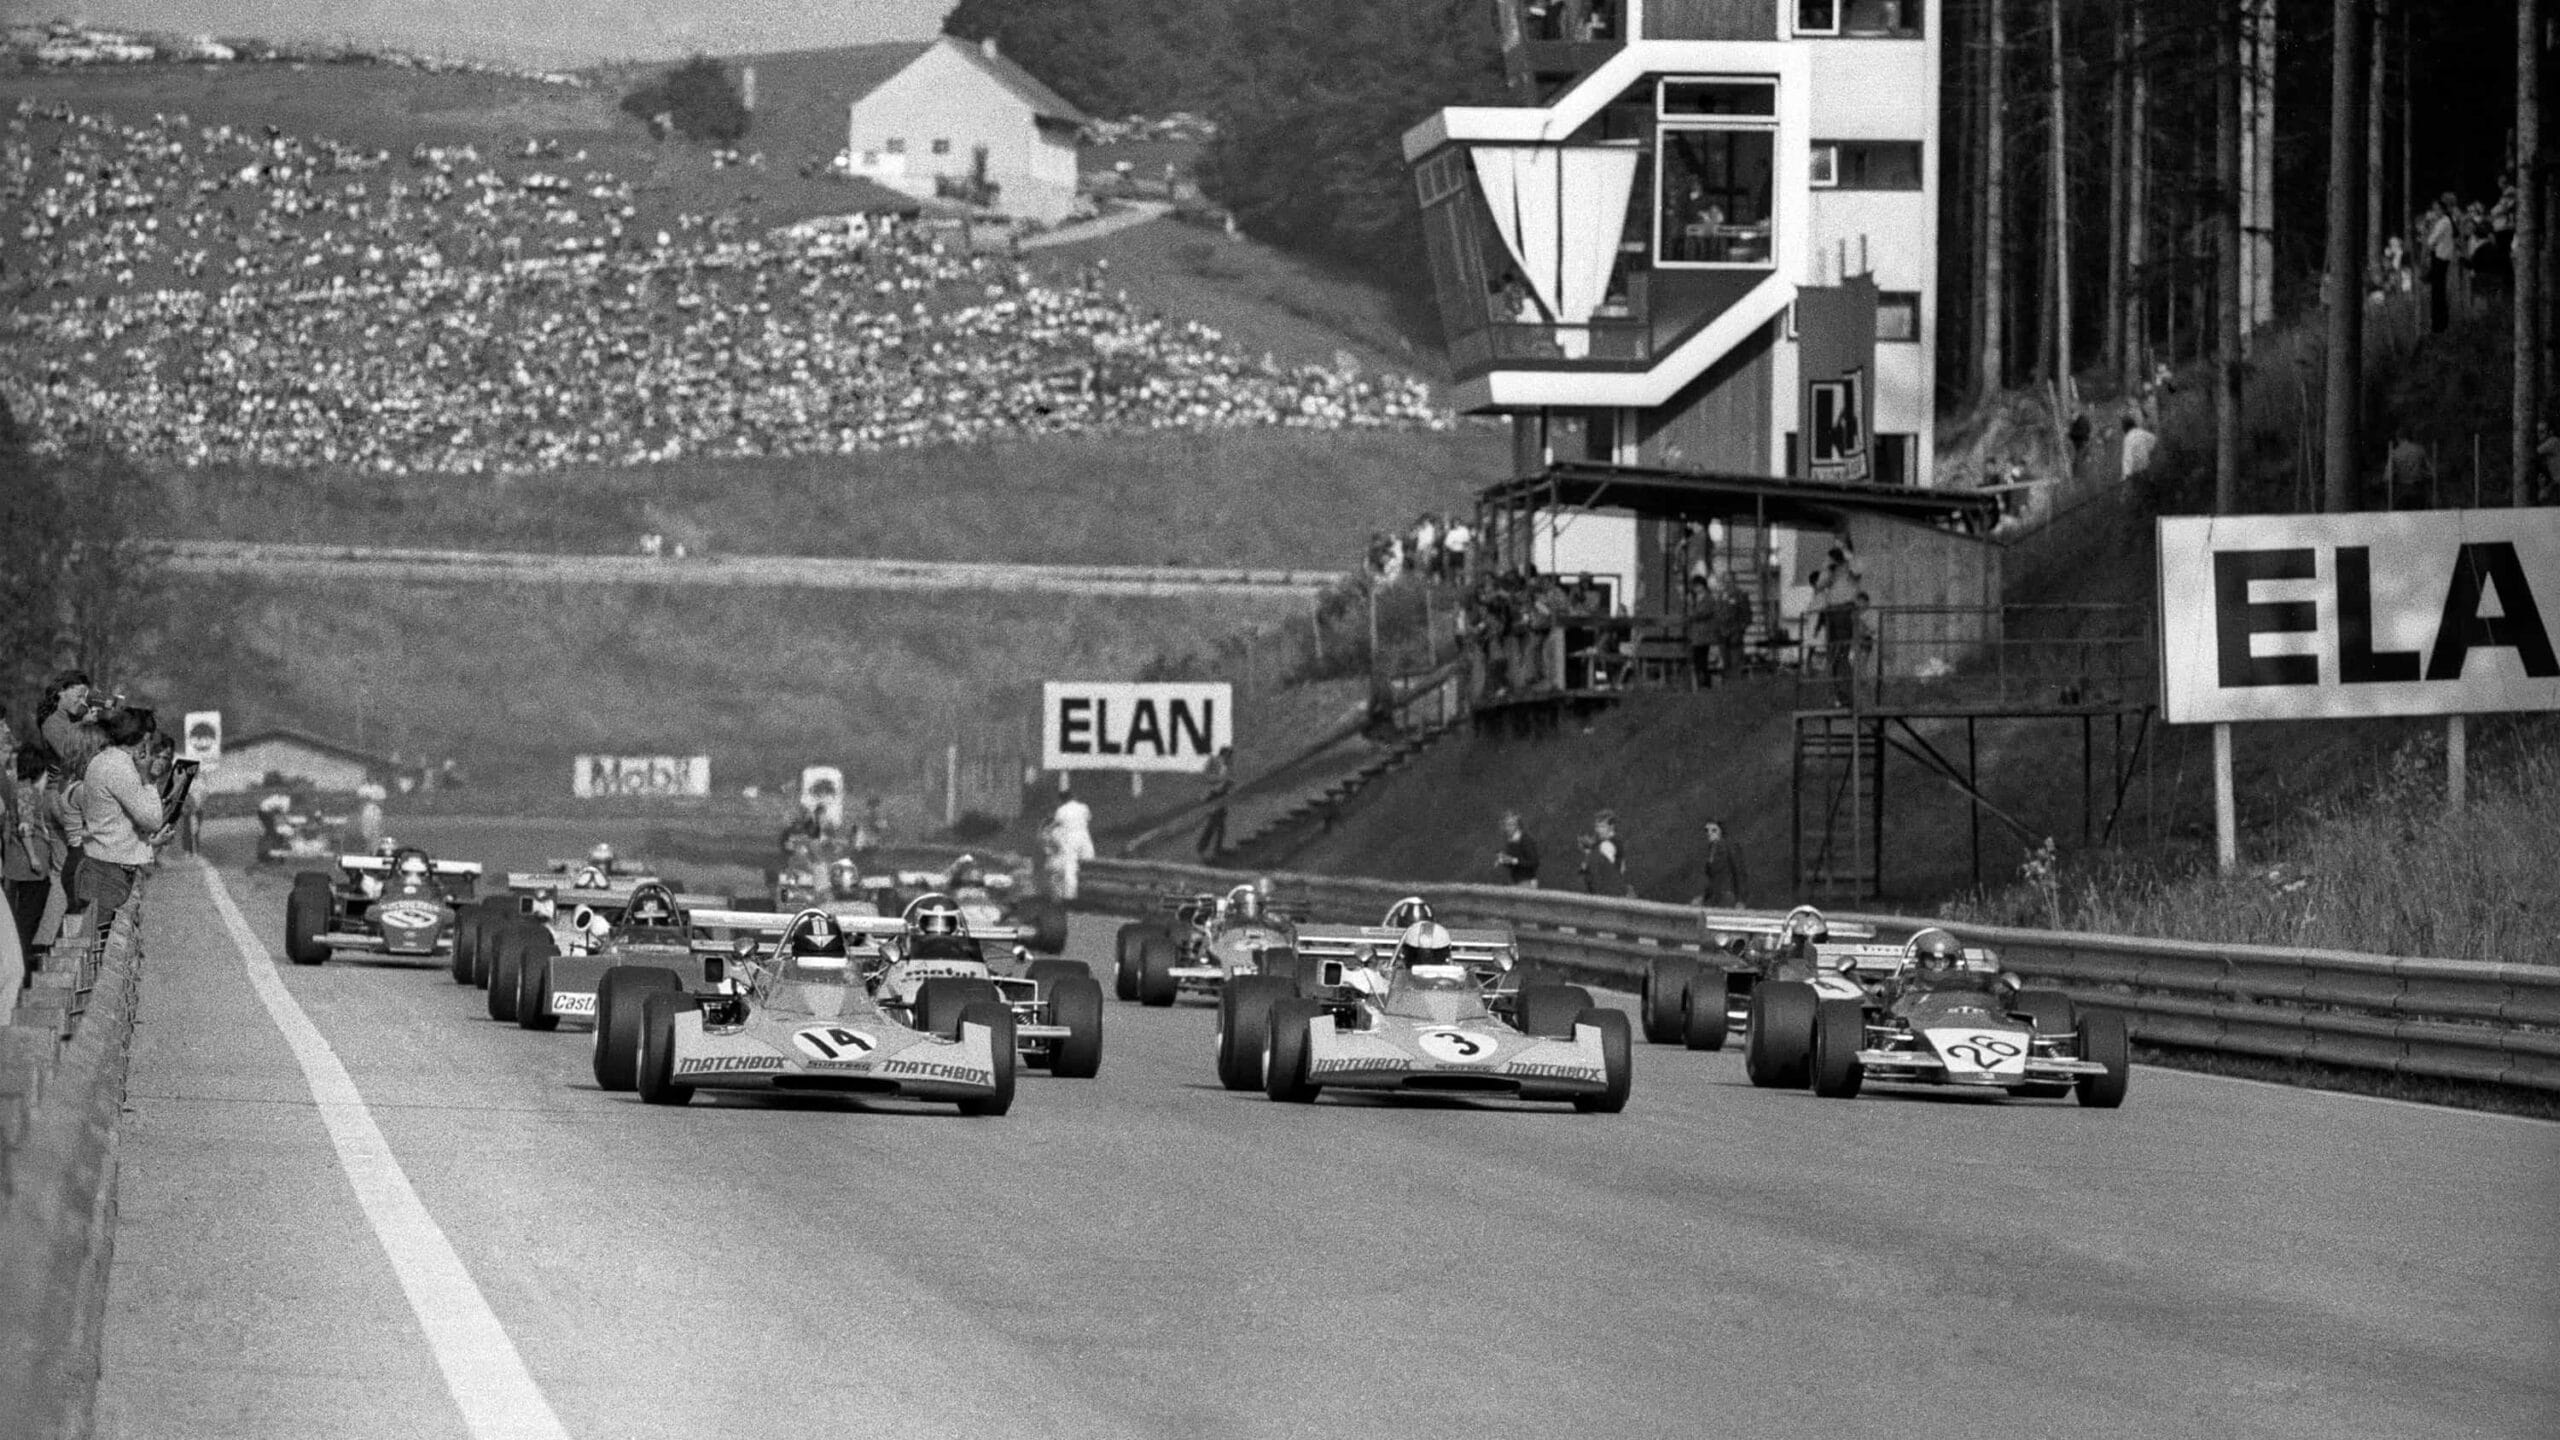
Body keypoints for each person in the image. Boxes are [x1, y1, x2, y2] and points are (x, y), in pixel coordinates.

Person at [74, 708, 168, 938]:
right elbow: (153, 819)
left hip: (100, 863)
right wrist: (147, 778)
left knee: (95, 943)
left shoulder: (103, 760)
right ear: (143, 738)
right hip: (110, 871)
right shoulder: (120, 768)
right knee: (97, 945)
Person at [6, 743, 51, 977]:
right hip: (29, 867)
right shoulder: (26, 790)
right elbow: (25, 827)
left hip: (18, 865)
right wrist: (34, 857)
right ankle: (22, 970)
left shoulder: (16, 787)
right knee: (26, 922)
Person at [1048, 782, 1094, 901]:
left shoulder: (1061, 810)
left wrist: (1049, 828)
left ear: (1061, 800)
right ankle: (1091, 892)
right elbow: (1088, 818)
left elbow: (1056, 824)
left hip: (1070, 839)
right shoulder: (1083, 807)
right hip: (1084, 837)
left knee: (1071, 867)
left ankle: (1070, 897)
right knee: (1088, 864)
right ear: (1073, 797)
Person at [1577, 810, 1635, 898]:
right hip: (1611, 892)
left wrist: (1589, 854)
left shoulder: (1607, 845)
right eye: (1597, 826)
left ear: (1611, 827)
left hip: (1609, 895)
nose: (1598, 830)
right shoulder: (1603, 843)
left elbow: (1604, 873)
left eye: (1602, 827)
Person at [1696, 818, 1748, 908]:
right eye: (1707, 830)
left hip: (1727, 895)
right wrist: (1703, 897)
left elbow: (1739, 872)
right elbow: (1712, 879)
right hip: (1714, 896)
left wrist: (1741, 900)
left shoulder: (1730, 847)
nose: (1709, 833)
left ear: (1721, 832)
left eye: (1714, 830)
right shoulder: (1712, 850)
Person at [1196, 747, 1234, 862]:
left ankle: (1217, 850)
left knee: (1220, 825)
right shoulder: (1215, 764)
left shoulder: (1224, 765)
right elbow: (1209, 780)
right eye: (1229, 755)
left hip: (1220, 797)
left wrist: (1227, 785)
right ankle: (1202, 850)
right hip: (1213, 798)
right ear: (1224, 754)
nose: (1230, 758)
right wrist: (1224, 784)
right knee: (1213, 825)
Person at [1494, 811, 1541, 887]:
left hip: (1527, 882)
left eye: (1511, 824)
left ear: (1518, 825)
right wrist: (1504, 860)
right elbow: (1514, 864)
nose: (1508, 828)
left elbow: (1534, 862)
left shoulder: (1525, 840)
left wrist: (1513, 860)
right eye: (1506, 825)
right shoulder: (1511, 841)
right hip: (1516, 882)